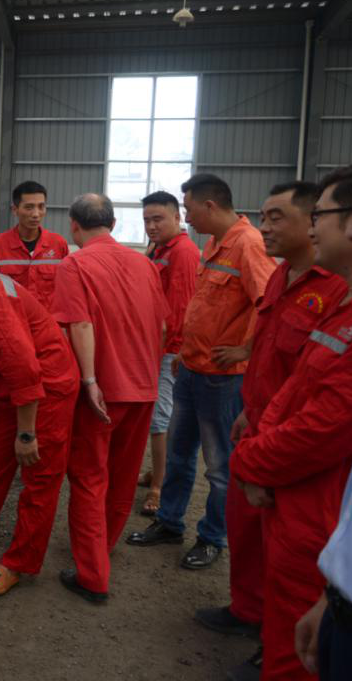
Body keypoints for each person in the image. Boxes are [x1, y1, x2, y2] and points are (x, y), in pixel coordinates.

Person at [196, 181, 347, 680]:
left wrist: (264, 444)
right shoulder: (283, 274)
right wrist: (250, 408)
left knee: (291, 557)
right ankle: (248, 611)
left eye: (276, 217)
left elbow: (319, 390)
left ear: (313, 220)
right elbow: (266, 346)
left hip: (288, 445)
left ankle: (277, 645)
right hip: (257, 421)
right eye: (263, 216)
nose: (265, 227)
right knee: (247, 533)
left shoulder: (336, 290)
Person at [230, 166, 352, 681]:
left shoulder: (346, 303)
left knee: (298, 645)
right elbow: (292, 383)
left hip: (310, 493)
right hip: (274, 462)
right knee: (279, 603)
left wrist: (252, 461)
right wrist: (254, 434)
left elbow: (328, 424)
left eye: (319, 217)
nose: (316, 229)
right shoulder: (334, 300)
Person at [128, 173, 275, 570]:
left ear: (210, 206)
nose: (187, 217)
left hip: (223, 378)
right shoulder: (212, 244)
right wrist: (185, 350)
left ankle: (212, 537)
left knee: (220, 467)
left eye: (189, 209)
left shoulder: (248, 245)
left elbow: (267, 302)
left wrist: (245, 349)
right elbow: (202, 304)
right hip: (192, 367)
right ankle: (170, 521)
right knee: (179, 455)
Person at [52, 193, 168, 602]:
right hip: (143, 386)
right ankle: (103, 546)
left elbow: (80, 324)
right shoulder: (144, 264)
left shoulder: (75, 264)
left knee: (88, 476)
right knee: (122, 475)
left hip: (103, 391)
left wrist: (89, 381)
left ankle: (92, 575)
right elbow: (162, 326)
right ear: (114, 224)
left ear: (74, 226)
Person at [0, 269, 80, 597]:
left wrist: (26, 434)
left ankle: (19, 562)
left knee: (39, 477)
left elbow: (24, 368)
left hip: (46, 385)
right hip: (11, 385)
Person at [295, 158, 352, 680]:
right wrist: (333, 592)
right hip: (346, 605)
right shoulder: (344, 303)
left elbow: (325, 425)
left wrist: (253, 460)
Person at [139, 191, 200, 516]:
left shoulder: (184, 252)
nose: (151, 226)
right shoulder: (159, 249)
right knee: (155, 415)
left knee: (160, 419)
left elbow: (180, 308)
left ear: (177, 217)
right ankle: (156, 472)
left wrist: (165, 349)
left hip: (169, 348)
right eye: (147, 220)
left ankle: (159, 488)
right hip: (155, 345)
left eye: (158, 219)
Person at [0, 180, 70, 311]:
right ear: (15, 210)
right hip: (11, 319)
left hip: (48, 321)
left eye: (41, 207)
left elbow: (67, 289)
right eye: (29, 207)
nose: (36, 214)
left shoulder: (58, 244)